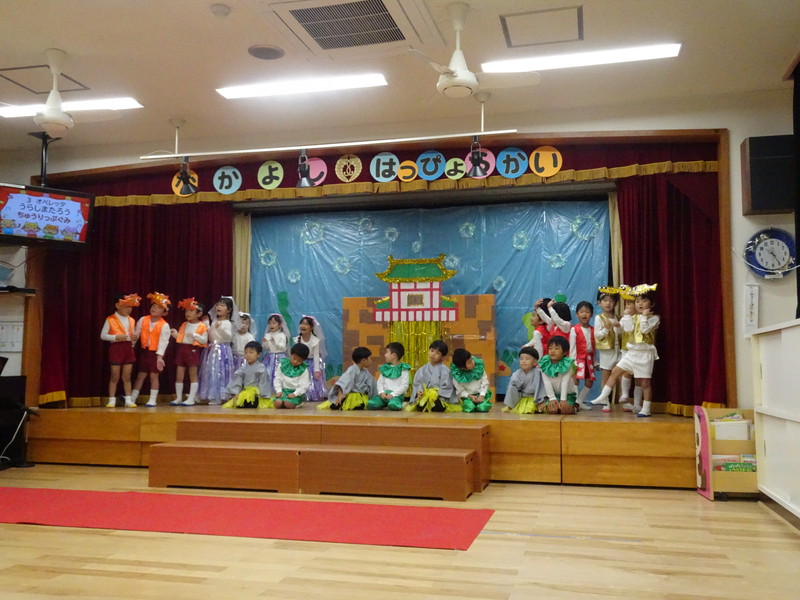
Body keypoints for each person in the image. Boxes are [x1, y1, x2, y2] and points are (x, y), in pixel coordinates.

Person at [592, 284, 660, 417]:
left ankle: (645, 409)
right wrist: (626, 317)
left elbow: (644, 330)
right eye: (637, 301)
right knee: (615, 372)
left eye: (644, 301)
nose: (640, 304)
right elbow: (627, 329)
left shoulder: (654, 318)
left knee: (644, 382)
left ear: (651, 303)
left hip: (645, 354)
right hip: (631, 353)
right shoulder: (633, 317)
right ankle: (603, 397)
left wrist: (644, 316)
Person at [131, 292, 171, 407]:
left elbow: (164, 342)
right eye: (153, 306)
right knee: (141, 375)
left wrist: (159, 357)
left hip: (155, 353)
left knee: (154, 376)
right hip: (144, 351)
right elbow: (136, 334)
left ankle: (152, 399)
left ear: (164, 312)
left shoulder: (164, 325)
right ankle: (132, 398)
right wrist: (131, 346)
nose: (154, 309)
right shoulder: (143, 319)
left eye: (158, 308)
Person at [100, 292, 141, 408]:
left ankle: (128, 399)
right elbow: (103, 335)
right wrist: (115, 338)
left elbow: (132, 336)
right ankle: (111, 399)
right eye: (126, 306)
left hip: (128, 349)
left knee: (127, 376)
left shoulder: (132, 320)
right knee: (115, 376)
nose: (129, 309)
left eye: (131, 307)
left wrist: (133, 339)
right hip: (116, 349)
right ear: (117, 305)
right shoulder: (110, 319)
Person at [197, 296, 238, 405]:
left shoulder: (228, 323)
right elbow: (211, 336)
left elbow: (229, 337)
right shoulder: (214, 321)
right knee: (211, 371)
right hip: (212, 349)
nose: (219, 307)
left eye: (222, 305)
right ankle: (210, 394)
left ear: (229, 310)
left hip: (223, 350)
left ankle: (221, 396)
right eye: (218, 304)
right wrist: (207, 326)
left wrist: (221, 328)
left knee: (221, 371)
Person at [169, 298, 208, 406]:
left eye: (191, 311)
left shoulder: (202, 326)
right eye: (186, 310)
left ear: (199, 313)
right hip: (182, 350)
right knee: (179, 376)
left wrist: (195, 336)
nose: (188, 313)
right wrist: (175, 335)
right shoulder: (184, 324)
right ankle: (178, 398)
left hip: (193, 351)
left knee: (193, 375)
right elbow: (182, 338)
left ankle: (191, 398)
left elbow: (204, 340)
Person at [406, 340, 457, 412]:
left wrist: (435, 394)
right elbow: (417, 384)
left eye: (437, 353)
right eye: (432, 351)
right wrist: (419, 392)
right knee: (421, 405)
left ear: (443, 357)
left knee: (437, 405)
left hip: (438, 398)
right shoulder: (422, 370)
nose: (433, 354)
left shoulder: (445, 371)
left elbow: (447, 387)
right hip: (424, 397)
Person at [594, 287, 621, 412]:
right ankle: (605, 401)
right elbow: (597, 335)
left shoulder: (617, 317)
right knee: (606, 375)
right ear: (599, 303)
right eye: (605, 300)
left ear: (615, 303)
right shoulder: (599, 318)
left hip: (618, 349)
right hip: (606, 351)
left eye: (611, 300)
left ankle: (623, 400)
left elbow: (621, 333)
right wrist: (606, 329)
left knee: (621, 374)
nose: (608, 303)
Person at [222, 341, 272, 408]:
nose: (248, 355)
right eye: (246, 353)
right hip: (245, 392)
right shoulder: (243, 368)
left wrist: (262, 394)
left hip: (256, 394)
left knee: (250, 402)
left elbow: (263, 383)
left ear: (258, 354)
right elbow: (237, 379)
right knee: (239, 402)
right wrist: (236, 393)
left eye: (251, 352)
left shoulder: (261, 368)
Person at [539, 335, 578, 414]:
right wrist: (552, 398)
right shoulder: (545, 364)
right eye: (550, 348)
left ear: (565, 352)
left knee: (565, 410)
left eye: (556, 348)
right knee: (552, 411)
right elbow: (546, 382)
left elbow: (565, 382)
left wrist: (563, 399)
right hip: (553, 395)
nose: (552, 351)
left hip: (567, 394)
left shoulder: (567, 364)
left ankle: (575, 407)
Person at [367, 341, 411, 411]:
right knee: (371, 404)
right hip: (384, 395)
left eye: (387, 352)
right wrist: (381, 392)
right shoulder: (385, 368)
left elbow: (404, 385)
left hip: (396, 395)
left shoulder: (403, 368)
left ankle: (398, 404)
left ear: (394, 355)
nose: (385, 355)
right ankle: (383, 404)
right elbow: (380, 382)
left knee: (393, 405)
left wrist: (393, 394)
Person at [570, 300, 596, 412]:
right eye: (581, 312)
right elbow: (572, 346)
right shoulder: (574, 329)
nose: (584, 314)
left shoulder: (593, 330)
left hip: (589, 359)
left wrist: (595, 361)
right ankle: (574, 403)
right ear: (577, 314)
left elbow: (594, 348)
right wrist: (573, 361)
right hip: (578, 358)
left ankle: (579, 402)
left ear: (592, 314)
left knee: (589, 381)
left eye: (587, 312)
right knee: (575, 380)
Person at [504, 347, 547, 414]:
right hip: (521, 399)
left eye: (527, 359)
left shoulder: (539, 373)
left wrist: (542, 401)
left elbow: (541, 388)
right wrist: (511, 404)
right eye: (521, 359)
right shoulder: (516, 374)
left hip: (535, 399)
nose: (523, 361)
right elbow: (512, 390)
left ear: (535, 361)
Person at [295, 315, 327, 402]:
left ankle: (312, 395)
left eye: (306, 324)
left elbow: (316, 356)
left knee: (312, 380)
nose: (303, 326)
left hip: (312, 363)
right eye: (302, 324)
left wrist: (316, 370)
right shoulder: (297, 339)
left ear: (311, 327)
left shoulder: (315, 341)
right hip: (301, 362)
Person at [450, 348, 493, 413]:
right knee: (469, 407)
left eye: (472, 359)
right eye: (469, 362)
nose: (473, 362)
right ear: (462, 367)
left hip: (480, 394)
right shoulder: (457, 375)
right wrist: (470, 396)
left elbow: (485, 382)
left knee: (483, 407)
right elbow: (460, 390)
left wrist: (482, 395)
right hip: (468, 397)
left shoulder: (478, 368)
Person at [273, 343, 311, 409]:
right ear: (291, 355)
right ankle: (283, 402)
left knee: (288, 404)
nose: (296, 362)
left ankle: (297, 404)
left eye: (299, 361)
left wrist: (295, 394)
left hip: (295, 393)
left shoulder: (304, 370)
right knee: (277, 403)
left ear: (303, 360)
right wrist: (279, 391)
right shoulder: (283, 365)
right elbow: (278, 379)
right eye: (294, 358)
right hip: (283, 392)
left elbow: (304, 385)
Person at [261, 312, 290, 387]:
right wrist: (264, 343)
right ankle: (269, 388)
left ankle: (279, 388)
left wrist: (274, 342)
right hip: (270, 356)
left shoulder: (282, 335)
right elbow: (266, 348)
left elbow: (283, 346)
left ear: (279, 325)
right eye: (270, 323)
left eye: (274, 323)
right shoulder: (267, 334)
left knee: (278, 373)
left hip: (280, 356)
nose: (271, 325)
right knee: (268, 372)